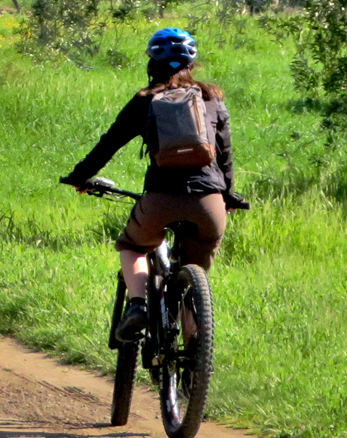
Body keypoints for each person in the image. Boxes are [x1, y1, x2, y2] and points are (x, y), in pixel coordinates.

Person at [59, 27, 246, 345]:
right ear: (192, 63)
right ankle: (195, 356)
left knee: (132, 246)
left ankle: (137, 306)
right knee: (192, 282)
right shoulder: (212, 98)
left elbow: (109, 144)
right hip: (209, 205)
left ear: (152, 63)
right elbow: (225, 156)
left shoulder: (146, 100)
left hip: (161, 199)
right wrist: (227, 195)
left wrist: (80, 176)